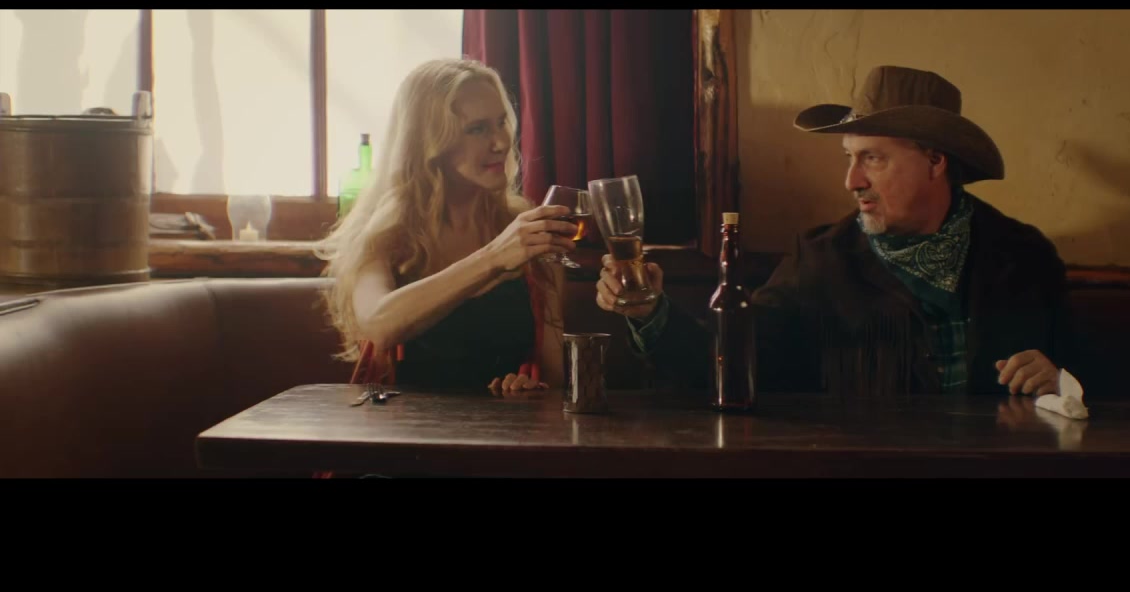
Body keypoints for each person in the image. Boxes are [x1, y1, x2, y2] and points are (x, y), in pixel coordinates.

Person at [595, 65, 1078, 397]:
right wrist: (649, 311)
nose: (852, 181)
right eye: (850, 157)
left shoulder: (1023, 256)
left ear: (935, 161)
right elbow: (725, 364)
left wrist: (1062, 382)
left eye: (873, 158)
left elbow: (1094, 378)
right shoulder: (820, 259)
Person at [318, 59, 580, 393]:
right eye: (477, 129)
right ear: (429, 143)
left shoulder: (524, 228)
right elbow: (378, 324)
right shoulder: (385, 236)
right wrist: (493, 258)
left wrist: (532, 390)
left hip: (508, 425)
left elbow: (555, 377)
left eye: (501, 122)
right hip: (405, 425)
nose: (501, 142)